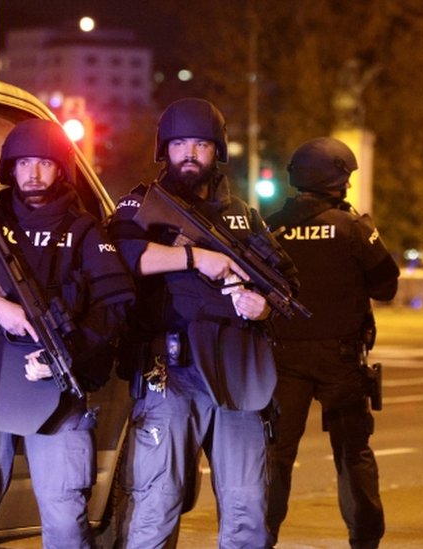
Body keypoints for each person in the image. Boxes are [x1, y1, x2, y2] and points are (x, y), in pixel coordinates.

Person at [0, 119, 135, 548]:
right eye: (25, 162)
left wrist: (66, 352)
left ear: (60, 169)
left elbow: (115, 303)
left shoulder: (83, 231)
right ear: (10, 167)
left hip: (58, 381)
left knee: (64, 519)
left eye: (44, 163)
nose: (34, 173)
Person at [108, 98, 297, 548]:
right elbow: (124, 256)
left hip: (235, 369)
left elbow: (284, 281)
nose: (190, 153)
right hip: (169, 370)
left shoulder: (243, 217)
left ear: (218, 151)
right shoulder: (140, 204)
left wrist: (264, 306)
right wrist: (197, 257)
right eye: (179, 144)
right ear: (164, 150)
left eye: (200, 144)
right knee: (156, 502)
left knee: (247, 507)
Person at [265, 137, 400, 549]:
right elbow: (386, 287)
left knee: (275, 456)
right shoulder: (354, 228)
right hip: (340, 360)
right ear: (338, 179)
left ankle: (260, 536)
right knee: (352, 453)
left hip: (282, 358)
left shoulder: (272, 227)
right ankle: (364, 539)